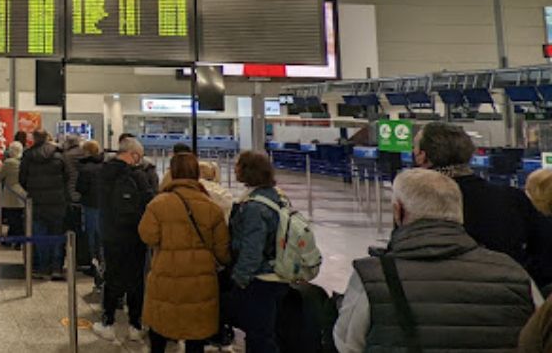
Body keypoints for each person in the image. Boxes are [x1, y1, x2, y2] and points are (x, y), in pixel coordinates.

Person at [333, 168, 540, 352]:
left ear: (398, 211)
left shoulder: (372, 277)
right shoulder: (512, 271)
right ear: (458, 211)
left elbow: (347, 344)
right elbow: (541, 335)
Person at [413, 122, 550, 286]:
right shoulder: (512, 198)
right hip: (506, 293)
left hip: (436, 292)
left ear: (422, 156)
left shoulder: (416, 203)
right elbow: (545, 252)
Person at [138, 153, 231, 353]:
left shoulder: (158, 204)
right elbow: (223, 251)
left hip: (166, 277)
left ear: (172, 172)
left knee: (161, 327)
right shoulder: (212, 207)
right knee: (195, 333)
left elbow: (148, 236)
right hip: (201, 282)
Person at [92, 136, 155, 343]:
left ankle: (108, 322)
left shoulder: (104, 172)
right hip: (135, 236)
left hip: (111, 234)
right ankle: (135, 326)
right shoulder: (139, 176)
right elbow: (149, 202)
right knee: (136, 280)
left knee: (112, 276)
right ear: (133, 154)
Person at [228, 150, 290, 353]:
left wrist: (240, 279)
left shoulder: (254, 207)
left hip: (260, 279)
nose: (235, 168)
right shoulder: (277, 196)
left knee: (259, 336)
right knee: (267, 331)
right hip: (278, 272)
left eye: (238, 165)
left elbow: (252, 249)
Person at [19, 129, 68, 280]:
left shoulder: (28, 155)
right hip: (57, 201)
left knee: (40, 235)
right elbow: (67, 177)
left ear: (34, 138)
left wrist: (32, 189)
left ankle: (42, 267)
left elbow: (22, 178)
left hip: (37, 201)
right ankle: (57, 268)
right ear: (47, 137)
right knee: (57, 235)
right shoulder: (59, 155)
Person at [76, 139, 106, 288]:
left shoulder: (85, 168)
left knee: (91, 235)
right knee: (101, 235)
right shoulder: (105, 166)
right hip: (104, 205)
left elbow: (80, 187)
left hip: (90, 205)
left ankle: (94, 263)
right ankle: (102, 265)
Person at [0, 142, 27, 248]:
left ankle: (14, 240)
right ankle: (15, 240)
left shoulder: (9, 163)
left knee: (13, 218)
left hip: (11, 193)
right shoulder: (24, 162)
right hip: (23, 193)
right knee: (19, 218)